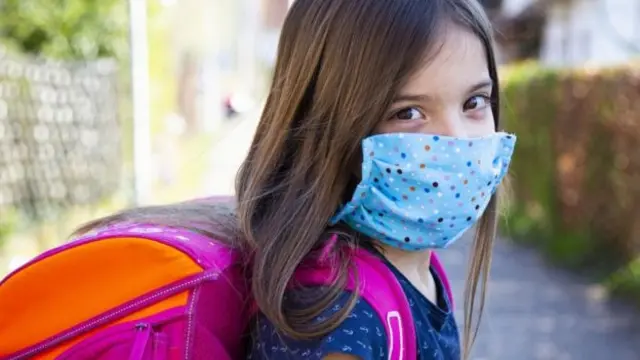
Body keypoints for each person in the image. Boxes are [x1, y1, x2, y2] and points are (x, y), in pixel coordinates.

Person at [73, 0, 515, 359]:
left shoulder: (414, 265)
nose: (458, 139)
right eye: (408, 113)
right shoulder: (338, 320)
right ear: (326, 125)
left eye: (475, 101)